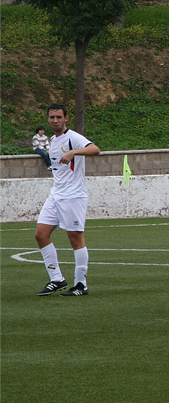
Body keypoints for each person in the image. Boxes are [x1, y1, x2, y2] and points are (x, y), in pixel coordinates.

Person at [34, 103, 100, 296]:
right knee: (40, 234)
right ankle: (57, 279)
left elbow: (95, 149)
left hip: (73, 196)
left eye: (58, 117)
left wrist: (74, 152)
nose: (55, 120)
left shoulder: (73, 137)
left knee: (75, 238)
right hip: (56, 195)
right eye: (52, 117)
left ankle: (81, 285)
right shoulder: (53, 140)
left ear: (66, 119)